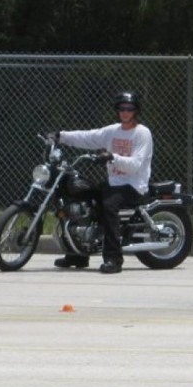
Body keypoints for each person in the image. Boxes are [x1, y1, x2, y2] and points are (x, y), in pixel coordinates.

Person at [51, 91, 153, 274]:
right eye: (122, 108)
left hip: (134, 185)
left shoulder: (142, 133)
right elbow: (87, 137)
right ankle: (77, 254)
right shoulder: (112, 131)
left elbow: (136, 165)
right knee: (78, 195)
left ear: (136, 111)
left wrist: (112, 156)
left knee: (108, 205)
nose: (125, 112)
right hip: (113, 183)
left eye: (129, 109)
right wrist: (61, 136)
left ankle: (114, 259)